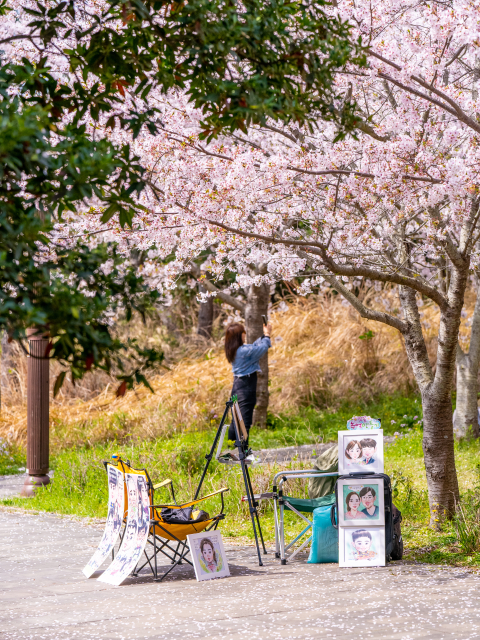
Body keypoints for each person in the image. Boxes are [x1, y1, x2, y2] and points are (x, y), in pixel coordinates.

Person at [225, 321, 272, 445]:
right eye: (243, 333)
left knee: (235, 420)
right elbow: (261, 348)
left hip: (237, 387)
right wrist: (267, 336)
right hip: (246, 388)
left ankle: (231, 451)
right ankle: (243, 455)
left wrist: (263, 335)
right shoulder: (244, 351)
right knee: (244, 422)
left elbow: (254, 346)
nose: (245, 335)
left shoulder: (235, 350)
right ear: (239, 336)